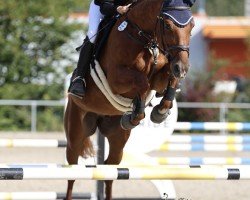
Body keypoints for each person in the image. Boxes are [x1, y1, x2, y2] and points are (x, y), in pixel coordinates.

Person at [68, 0, 131, 98]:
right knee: (93, 34)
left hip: (124, 8)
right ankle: (79, 78)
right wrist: (117, 9)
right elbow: (104, 6)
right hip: (102, 6)